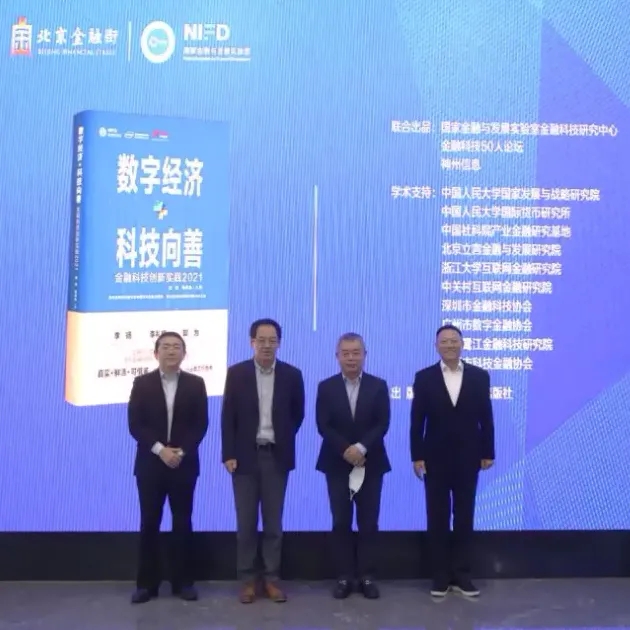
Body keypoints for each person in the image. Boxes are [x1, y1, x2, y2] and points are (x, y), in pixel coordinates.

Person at [221, 318, 305, 603]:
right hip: (244, 458)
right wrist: (229, 454)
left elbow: (297, 415)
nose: (267, 345)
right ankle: (247, 580)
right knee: (246, 524)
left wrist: (280, 438)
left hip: (276, 457)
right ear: (252, 342)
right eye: (261, 340)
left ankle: (271, 579)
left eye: (272, 340)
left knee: (273, 524)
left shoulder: (292, 375)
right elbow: (228, 417)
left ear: (279, 343)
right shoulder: (237, 373)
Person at [410, 324, 495, 598]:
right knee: (437, 517)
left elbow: (486, 417)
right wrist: (416, 456)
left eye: (454, 340)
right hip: (434, 458)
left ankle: (462, 575)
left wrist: (488, 452)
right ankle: (440, 577)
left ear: (462, 344)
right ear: (436, 346)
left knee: (464, 516)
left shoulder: (479, 376)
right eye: (444, 341)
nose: (449, 345)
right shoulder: (424, 377)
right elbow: (417, 420)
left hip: (469, 457)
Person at [128, 331, 209, 604]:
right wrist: (160, 450)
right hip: (150, 465)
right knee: (149, 522)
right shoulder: (142, 383)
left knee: (182, 522)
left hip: (184, 464)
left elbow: (200, 424)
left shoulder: (196, 384)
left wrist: (180, 452)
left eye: (177, 346)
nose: (171, 351)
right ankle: (146, 585)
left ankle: (183, 583)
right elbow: (135, 425)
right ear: (156, 353)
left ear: (184, 354)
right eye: (166, 346)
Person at [316, 332, 391, 600]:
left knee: (368, 522)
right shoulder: (326, 387)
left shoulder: (378, 386)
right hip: (336, 463)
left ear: (364, 355)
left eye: (356, 352)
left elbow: (382, 423)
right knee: (341, 522)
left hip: (371, 462)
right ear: (337, 357)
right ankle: (344, 576)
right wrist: (345, 449)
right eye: (345, 353)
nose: (351, 358)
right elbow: (323, 425)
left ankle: (367, 576)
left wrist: (361, 448)